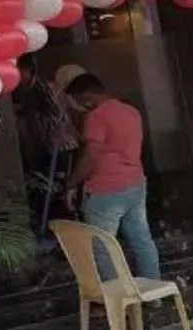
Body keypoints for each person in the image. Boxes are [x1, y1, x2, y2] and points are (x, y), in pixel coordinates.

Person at [61, 72, 161, 282]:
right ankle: (154, 288)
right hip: (135, 184)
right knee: (142, 240)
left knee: (103, 247)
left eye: (79, 100)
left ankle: (117, 295)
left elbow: (91, 156)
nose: (80, 107)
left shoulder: (96, 117)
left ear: (87, 96)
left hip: (105, 190)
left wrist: (72, 184)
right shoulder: (132, 112)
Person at [11, 54, 81, 237]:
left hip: (60, 144)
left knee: (58, 186)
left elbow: (56, 116)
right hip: (43, 144)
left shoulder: (43, 87)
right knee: (43, 185)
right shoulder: (25, 89)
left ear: (27, 70)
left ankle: (67, 225)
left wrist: (26, 115)